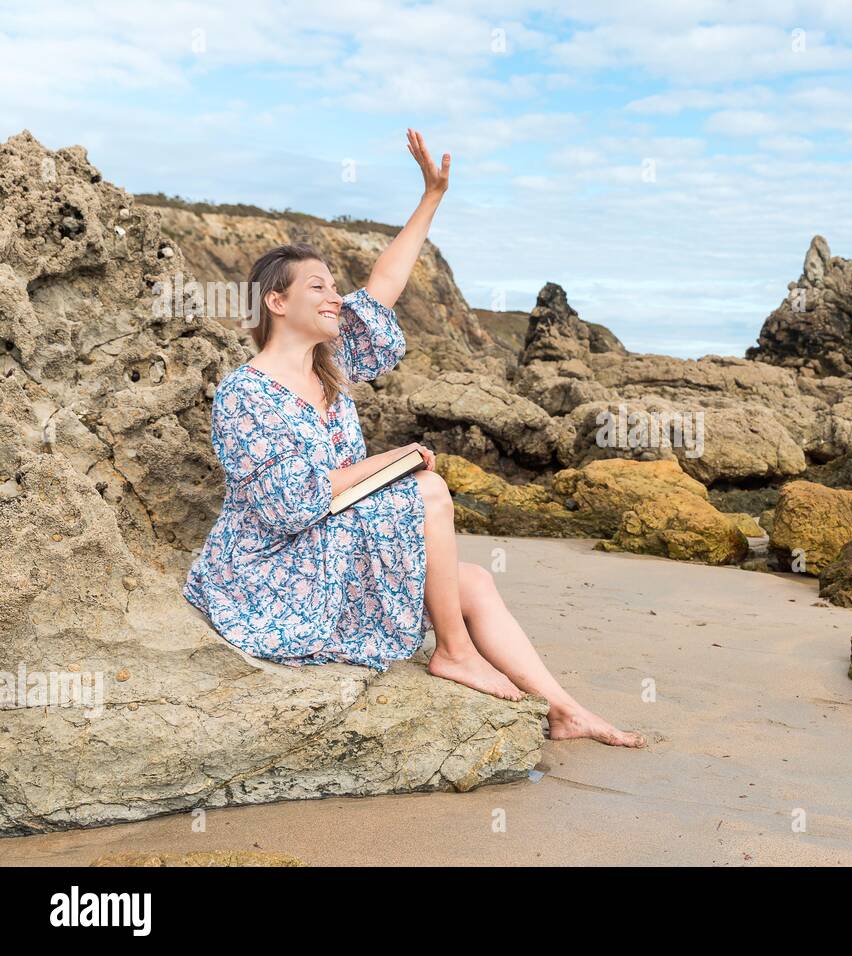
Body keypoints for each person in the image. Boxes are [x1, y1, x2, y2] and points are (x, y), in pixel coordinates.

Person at [184, 129, 644, 748]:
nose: (334, 295)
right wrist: (391, 463)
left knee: (473, 582)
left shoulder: (332, 367)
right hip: (271, 570)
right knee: (426, 489)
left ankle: (565, 709)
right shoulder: (246, 395)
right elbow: (285, 507)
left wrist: (432, 195)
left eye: (332, 285)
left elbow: (384, 282)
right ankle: (453, 652)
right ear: (275, 301)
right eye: (316, 285)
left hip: (330, 545)